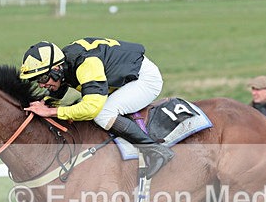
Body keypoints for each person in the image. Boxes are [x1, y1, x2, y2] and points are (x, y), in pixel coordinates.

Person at [20, 38, 174, 177]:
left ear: (57, 69)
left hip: (143, 79)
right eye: (36, 80)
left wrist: (52, 111)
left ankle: (155, 151)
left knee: (103, 114)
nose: (41, 85)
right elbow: (63, 87)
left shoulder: (86, 64)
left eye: (43, 78)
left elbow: (91, 108)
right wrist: (46, 102)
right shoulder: (65, 63)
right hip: (125, 73)